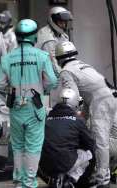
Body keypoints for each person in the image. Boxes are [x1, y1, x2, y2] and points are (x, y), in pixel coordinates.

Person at [0, 19, 57, 187]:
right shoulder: (42, 56)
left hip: (15, 107)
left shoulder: (7, 58)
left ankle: (19, 181)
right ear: (34, 36)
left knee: (17, 146)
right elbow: (52, 81)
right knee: (33, 146)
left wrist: (12, 85)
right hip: (35, 106)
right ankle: (29, 183)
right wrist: (41, 89)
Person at [55, 41, 117, 187]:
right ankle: (106, 170)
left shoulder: (66, 71)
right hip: (110, 97)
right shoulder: (83, 65)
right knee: (107, 137)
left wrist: (66, 115)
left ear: (59, 59)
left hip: (101, 102)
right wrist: (82, 117)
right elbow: (90, 93)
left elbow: (72, 95)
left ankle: (101, 177)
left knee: (100, 141)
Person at [39, 88, 95, 188]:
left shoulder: (47, 118)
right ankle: (71, 179)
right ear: (75, 102)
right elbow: (90, 143)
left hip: (44, 166)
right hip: (66, 163)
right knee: (90, 153)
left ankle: (54, 179)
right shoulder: (78, 120)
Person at [36, 6, 73, 74]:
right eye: (60, 22)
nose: (63, 25)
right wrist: (64, 75)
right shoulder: (47, 36)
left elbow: (68, 57)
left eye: (65, 22)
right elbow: (52, 62)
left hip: (54, 71)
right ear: (53, 20)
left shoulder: (63, 36)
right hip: (44, 73)